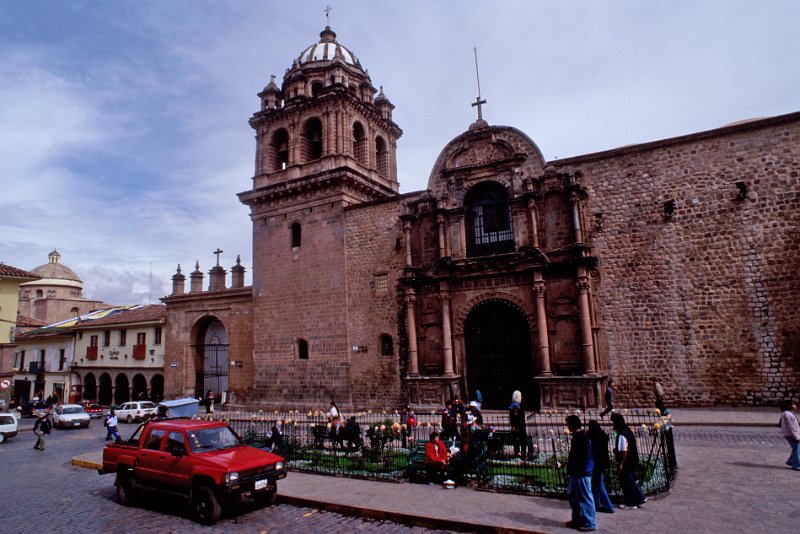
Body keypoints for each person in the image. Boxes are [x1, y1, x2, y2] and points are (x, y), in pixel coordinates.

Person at [565, 414, 596, 531]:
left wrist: (578, 470)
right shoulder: (577, 436)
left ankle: (589, 523)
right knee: (574, 496)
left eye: (568, 424)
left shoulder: (583, 437)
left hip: (581, 472)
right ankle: (577, 519)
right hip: (574, 472)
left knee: (585, 497)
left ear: (572, 425)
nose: (567, 426)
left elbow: (583, 457)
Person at [611, 413, 647, 509]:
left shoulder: (622, 434)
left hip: (627, 461)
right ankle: (640, 497)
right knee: (630, 479)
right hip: (633, 458)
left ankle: (631, 503)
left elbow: (624, 451)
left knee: (626, 481)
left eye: (613, 422)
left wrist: (621, 463)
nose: (613, 425)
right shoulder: (627, 430)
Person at [587, 420, 614, 514]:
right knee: (595, 484)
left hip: (598, 464)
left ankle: (609, 506)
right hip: (603, 463)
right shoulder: (602, 435)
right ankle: (596, 504)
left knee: (599, 484)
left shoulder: (595, 437)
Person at [779, 399, 800, 471]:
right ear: (788, 406)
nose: (794, 405)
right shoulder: (788, 414)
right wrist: (797, 436)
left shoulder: (788, 413)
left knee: (796, 448)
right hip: (791, 435)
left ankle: (791, 461)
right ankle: (797, 465)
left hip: (790, 434)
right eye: (792, 404)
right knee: (796, 449)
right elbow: (792, 427)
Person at [509, 391, 527, 458]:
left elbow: (522, 422)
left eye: (516, 408)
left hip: (521, 428)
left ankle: (523, 453)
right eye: (514, 408)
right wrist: (513, 426)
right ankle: (516, 453)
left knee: (523, 441)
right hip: (515, 429)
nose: (515, 409)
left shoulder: (522, 413)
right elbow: (511, 420)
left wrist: (518, 427)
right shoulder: (511, 412)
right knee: (515, 441)